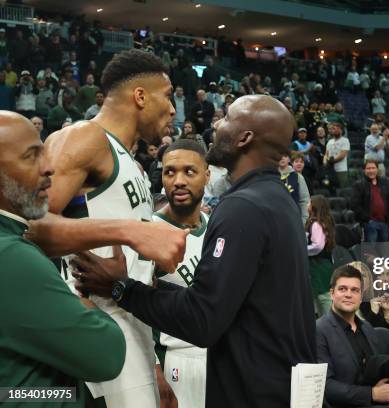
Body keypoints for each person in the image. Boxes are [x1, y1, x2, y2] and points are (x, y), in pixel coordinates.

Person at [72, 95, 317, 408]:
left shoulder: (242, 207)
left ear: (245, 138)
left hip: (252, 391)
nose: (216, 124)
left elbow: (202, 319)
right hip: (276, 382)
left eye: (227, 118)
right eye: (170, 171)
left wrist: (122, 288)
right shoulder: (280, 201)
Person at [37, 49, 188, 408]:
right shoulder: (84, 138)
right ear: (139, 96)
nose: (172, 109)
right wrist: (130, 231)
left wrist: (152, 361)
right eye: (167, 97)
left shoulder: (131, 162)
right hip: (92, 325)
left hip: (131, 324)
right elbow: (28, 226)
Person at [0, 111, 126, 407]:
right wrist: (85, 305)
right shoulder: (11, 255)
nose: (49, 168)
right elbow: (106, 354)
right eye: (31, 157)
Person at [153, 140, 211, 408]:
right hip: (176, 358)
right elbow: (131, 313)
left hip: (221, 356)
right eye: (169, 172)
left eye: (189, 171)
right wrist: (154, 369)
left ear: (207, 175)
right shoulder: (148, 231)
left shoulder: (218, 226)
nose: (178, 181)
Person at [317, 264, 389, 407]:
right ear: (332, 293)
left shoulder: (367, 328)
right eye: (342, 289)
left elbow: (375, 371)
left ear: (360, 297)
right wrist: (372, 394)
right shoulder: (319, 330)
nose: (348, 294)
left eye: (355, 290)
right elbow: (324, 386)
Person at [351, 159, 389, 242]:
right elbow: (354, 204)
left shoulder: (385, 182)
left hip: (385, 222)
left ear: (377, 169)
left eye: (373, 168)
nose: (371, 171)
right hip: (369, 223)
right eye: (368, 168)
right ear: (364, 170)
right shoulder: (359, 185)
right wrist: (367, 219)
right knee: (371, 252)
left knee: (384, 250)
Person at [306, 195, 336, 317]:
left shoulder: (316, 224)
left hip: (318, 265)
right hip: (323, 264)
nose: (307, 205)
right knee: (321, 297)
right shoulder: (325, 222)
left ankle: (329, 325)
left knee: (323, 296)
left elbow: (318, 246)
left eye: (309, 203)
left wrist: (302, 250)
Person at [279, 151, 310, 225]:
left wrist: (304, 220)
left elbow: (305, 201)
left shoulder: (298, 177)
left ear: (289, 159)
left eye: (285, 156)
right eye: (280, 155)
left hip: (295, 221)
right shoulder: (271, 176)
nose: (282, 158)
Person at [324, 121, 350, 190]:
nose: (335, 130)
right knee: (330, 188)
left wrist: (333, 160)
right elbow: (326, 154)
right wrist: (325, 162)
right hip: (330, 169)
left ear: (341, 130)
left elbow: (343, 154)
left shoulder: (345, 140)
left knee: (342, 188)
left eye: (337, 128)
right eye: (333, 129)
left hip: (341, 169)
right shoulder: (329, 142)